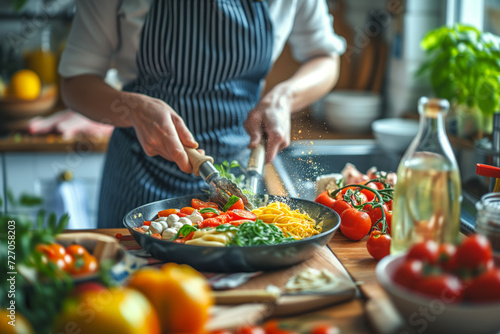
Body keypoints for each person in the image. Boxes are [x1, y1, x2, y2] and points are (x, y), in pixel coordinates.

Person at [59, 0, 346, 228]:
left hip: (235, 179)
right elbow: (74, 82)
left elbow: (325, 57)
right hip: (138, 174)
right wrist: (133, 108)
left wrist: (285, 97)